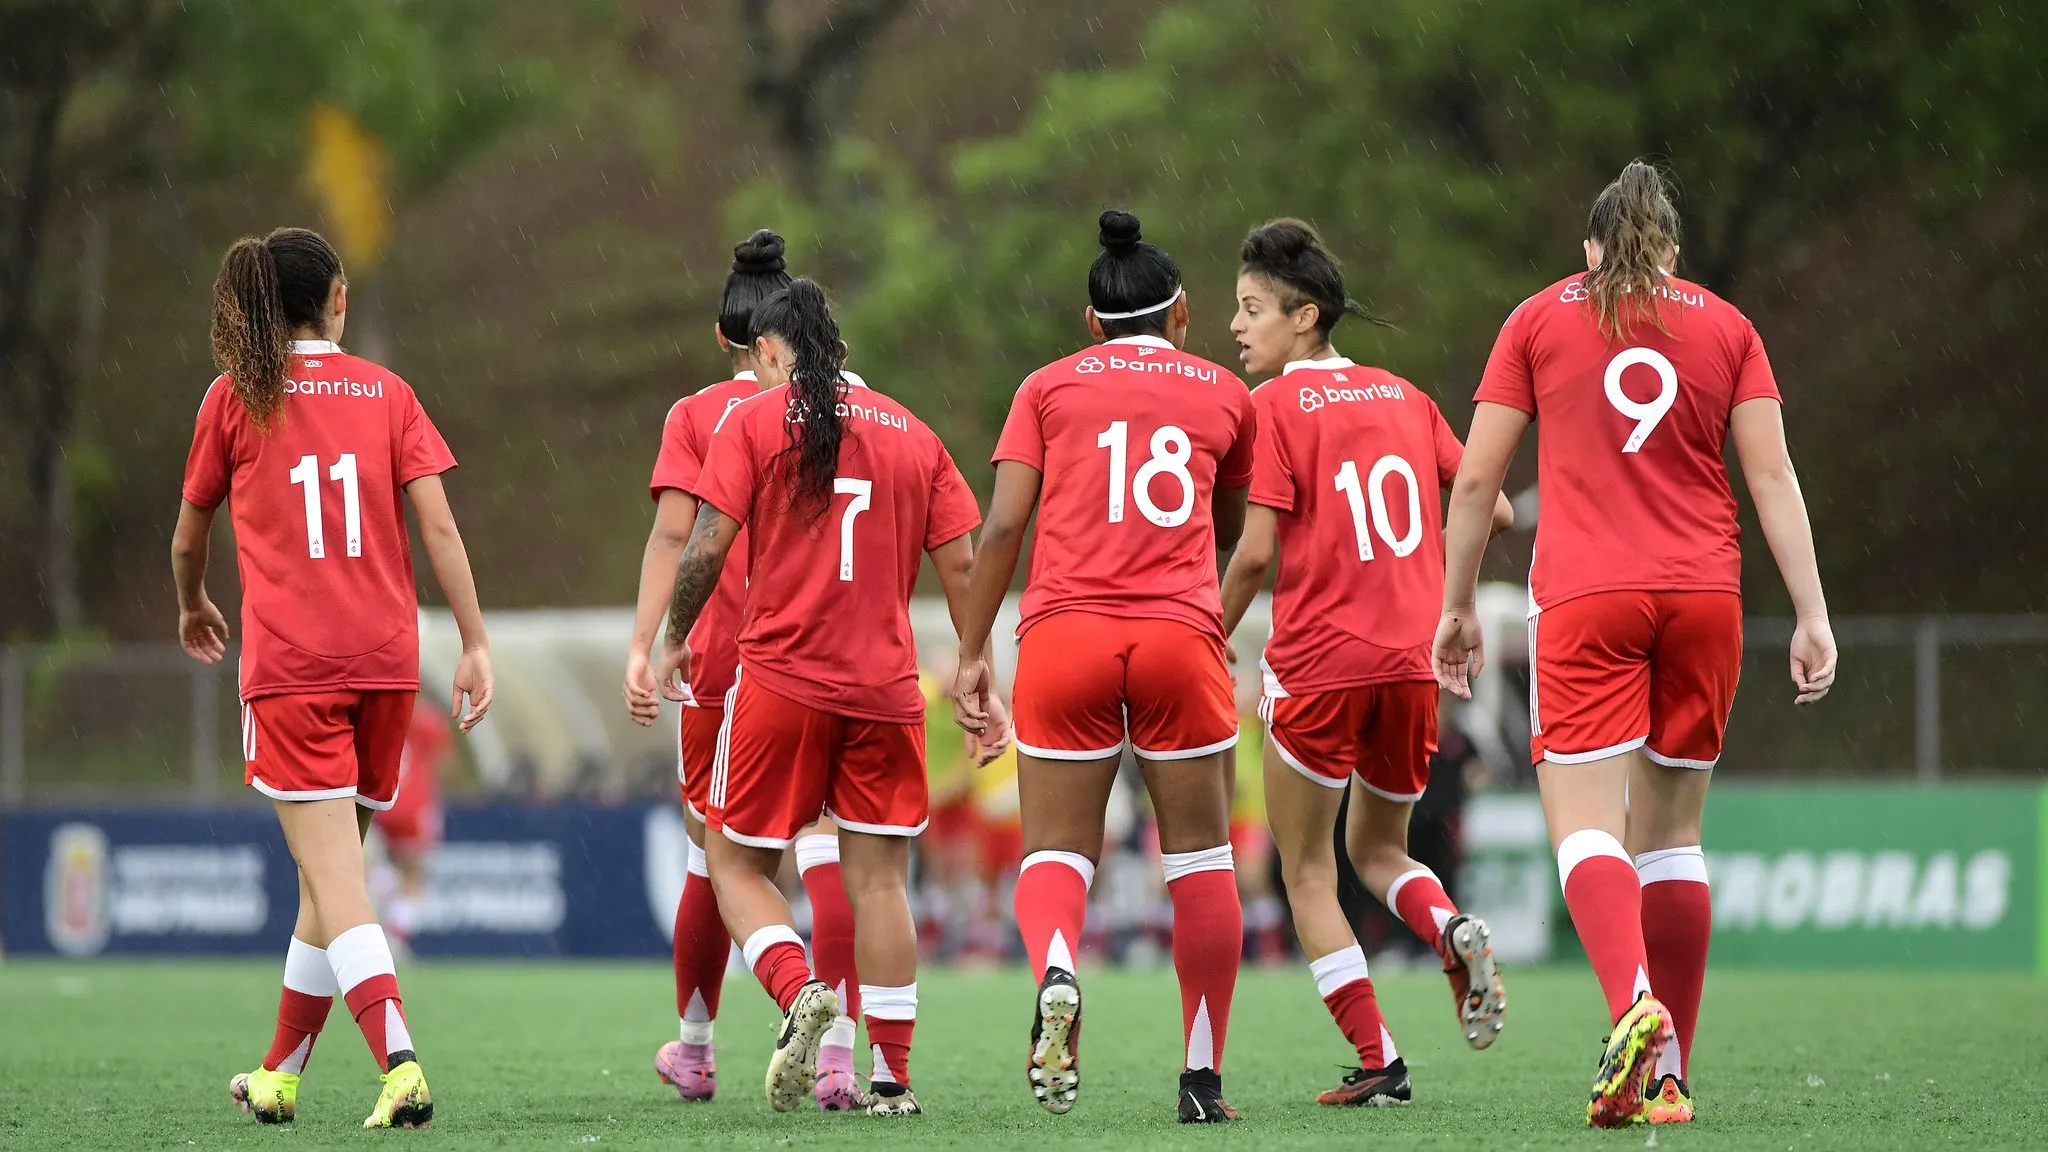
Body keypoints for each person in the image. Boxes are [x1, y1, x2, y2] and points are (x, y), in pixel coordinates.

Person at [1433, 161, 1837, 1128]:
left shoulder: (1538, 319)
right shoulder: (1728, 326)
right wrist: (1812, 613)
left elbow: (1477, 480)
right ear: (1674, 252)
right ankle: (1671, 1080)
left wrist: (1456, 604)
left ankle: (1632, 1006)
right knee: (1674, 839)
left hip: (1588, 595)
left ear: (1590, 249)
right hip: (1704, 595)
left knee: (1584, 826)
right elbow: (1772, 477)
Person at [653, 279, 998, 1118]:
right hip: (885, 688)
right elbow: (964, 562)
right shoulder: (912, 432)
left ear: (771, 350)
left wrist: (674, 636)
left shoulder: (752, 421)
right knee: (880, 884)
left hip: (781, 683)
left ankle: (796, 986)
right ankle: (891, 1080)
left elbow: (704, 546)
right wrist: (975, 664)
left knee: (733, 864)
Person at [174, 227, 493, 1129]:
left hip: (295, 669)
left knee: (337, 878)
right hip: (386, 667)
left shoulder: (236, 396)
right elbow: (439, 528)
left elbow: (190, 537)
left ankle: (400, 1064)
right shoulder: (388, 392)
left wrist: (193, 603)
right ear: (338, 300)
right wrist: (473, 641)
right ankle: (278, 1074)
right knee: (327, 880)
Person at [952, 209, 1256, 1124]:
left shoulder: (1045, 388)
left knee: (1055, 851)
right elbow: (1233, 526)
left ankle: (1056, 969)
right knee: (1200, 860)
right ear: (1182, 312)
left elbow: (1004, 527)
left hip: (1065, 634)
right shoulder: (1224, 393)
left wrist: (971, 652)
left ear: (1091, 322)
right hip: (1178, 635)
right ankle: (1200, 1080)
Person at [1217, 218, 1518, 1107]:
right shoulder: (1404, 396)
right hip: (1411, 662)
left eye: (1252, 309)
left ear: (1304, 316)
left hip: (1320, 663)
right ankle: (1450, 927)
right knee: (1380, 849)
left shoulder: (1272, 409)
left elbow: (1255, 553)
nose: (1237, 326)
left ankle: (1379, 1056)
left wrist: (1206, 631)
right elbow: (1495, 510)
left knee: (1308, 871)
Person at [621, 230, 869, 1109]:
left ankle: (696, 1049)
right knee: (827, 847)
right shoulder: (846, 405)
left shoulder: (698, 415)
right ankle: (839, 1058)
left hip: (723, 654)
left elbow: (675, 538)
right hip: (825, 649)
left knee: (712, 855)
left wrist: (647, 643)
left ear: (724, 336)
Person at [370, 695, 454, 953]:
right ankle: (396, 939)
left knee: (388, 865)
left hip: (384, 802)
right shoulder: (428, 721)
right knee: (414, 875)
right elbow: (443, 766)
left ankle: (382, 886)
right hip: (414, 805)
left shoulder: (381, 716)